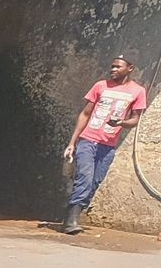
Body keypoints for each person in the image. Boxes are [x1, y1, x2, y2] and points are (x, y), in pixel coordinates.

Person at [61, 54, 147, 234]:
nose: (113, 69)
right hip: (88, 140)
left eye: (118, 67)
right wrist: (72, 142)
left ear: (129, 69)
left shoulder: (138, 91)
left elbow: (135, 119)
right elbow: (85, 114)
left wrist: (121, 123)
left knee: (95, 181)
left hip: (108, 146)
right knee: (84, 177)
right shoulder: (100, 86)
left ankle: (72, 213)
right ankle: (71, 221)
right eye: (112, 66)